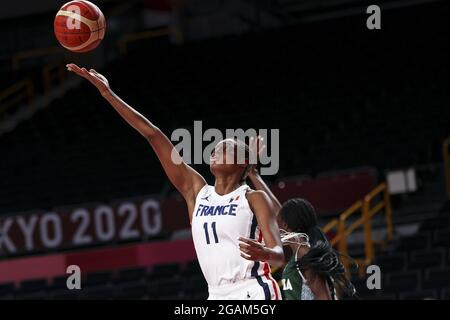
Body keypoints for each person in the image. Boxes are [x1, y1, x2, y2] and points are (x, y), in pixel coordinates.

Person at [66, 64, 284, 300]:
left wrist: (266, 254)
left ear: (242, 161)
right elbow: (153, 134)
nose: (214, 151)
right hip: (216, 293)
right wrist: (108, 94)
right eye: (214, 148)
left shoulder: (253, 197)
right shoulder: (197, 191)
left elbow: (279, 254)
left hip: (252, 288)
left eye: (223, 149)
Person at [247, 137, 357, 300]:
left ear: (285, 224)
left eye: (278, 221)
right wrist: (252, 173)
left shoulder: (305, 254)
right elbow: (277, 209)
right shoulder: (296, 253)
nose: (274, 224)